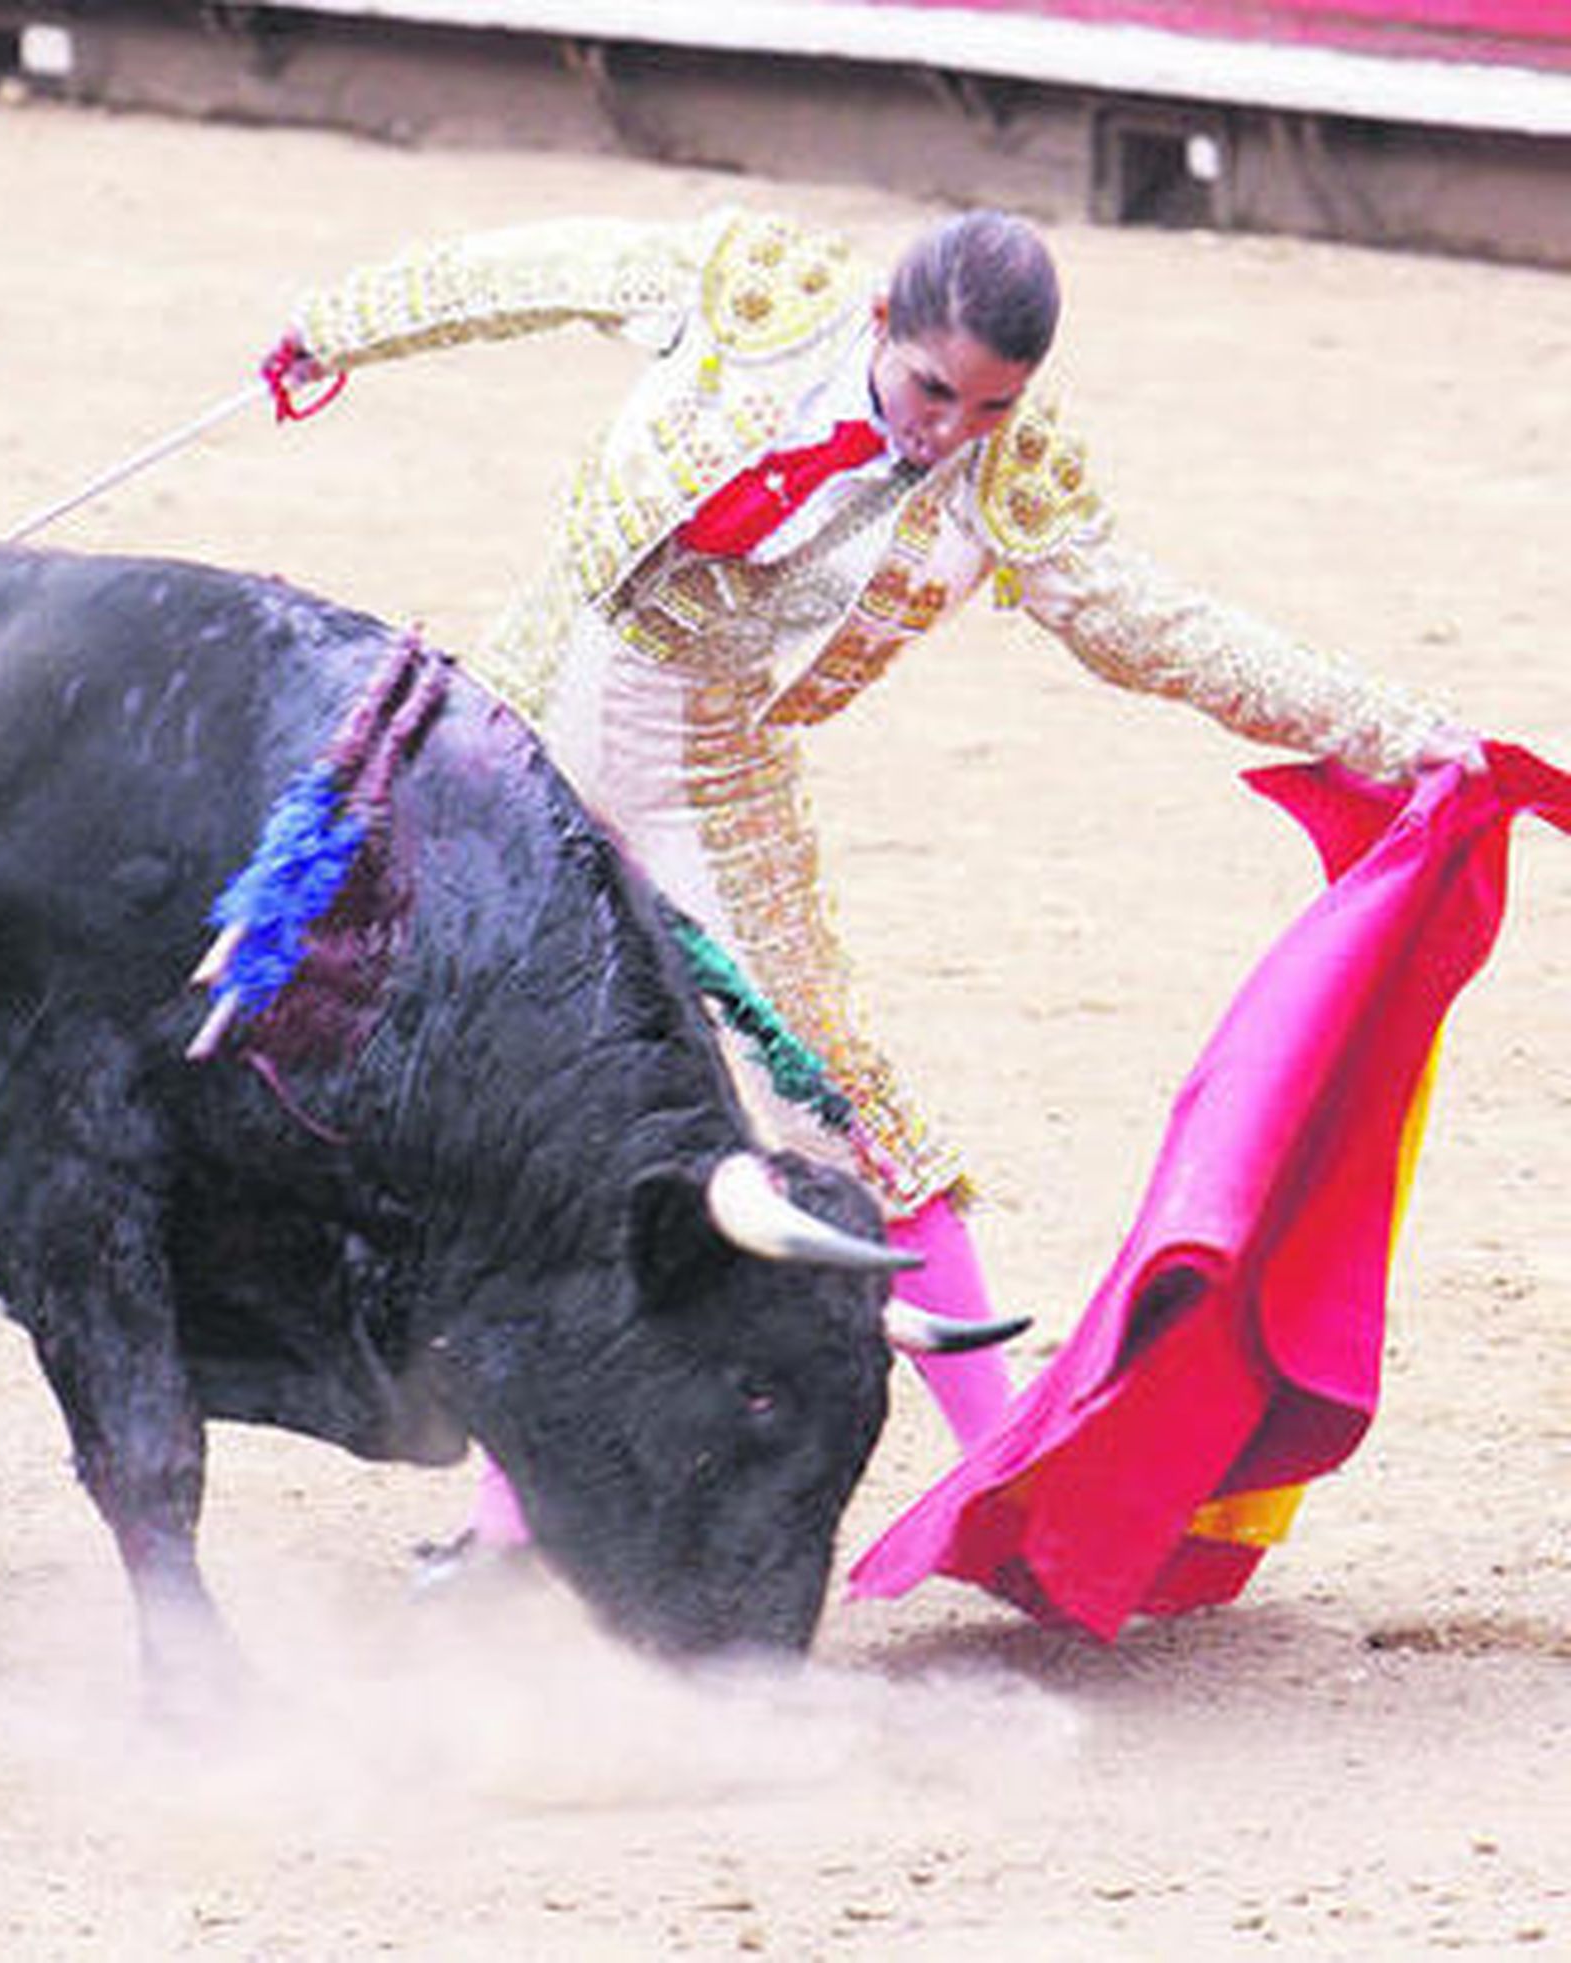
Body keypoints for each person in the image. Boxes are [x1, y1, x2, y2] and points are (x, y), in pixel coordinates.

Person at [271, 205, 1479, 1563]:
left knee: (847, 1115)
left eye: (992, 406)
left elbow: (1165, 630)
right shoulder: (754, 298)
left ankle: (1008, 1480)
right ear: (879, 326)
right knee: (487, 1116)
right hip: (516, 735)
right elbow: (536, 268)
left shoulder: (1005, 485)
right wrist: (339, 326)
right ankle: (507, 1518)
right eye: (934, 390)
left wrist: (1387, 729)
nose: (952, 431)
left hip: (701, 790)